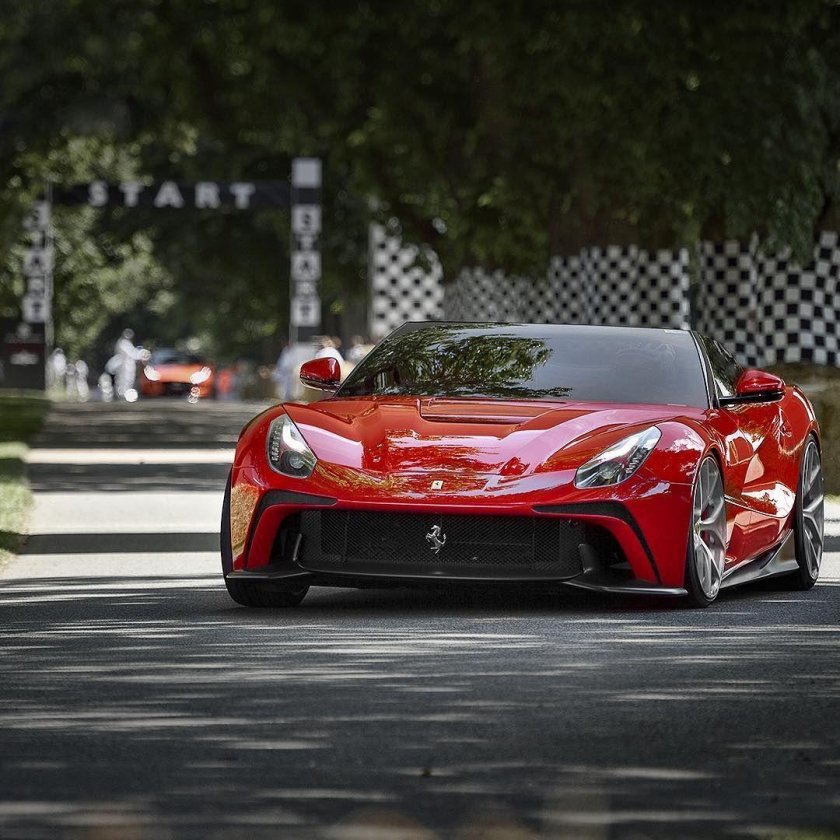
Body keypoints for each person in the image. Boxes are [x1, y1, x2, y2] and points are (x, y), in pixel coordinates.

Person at [113, 329, 146, 400]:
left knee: (129, 380)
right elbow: (131, 353)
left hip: (128, 365)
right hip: (124, 365)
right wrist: (141, 354)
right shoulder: (123, 343)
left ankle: (125, 394)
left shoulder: (126, 343)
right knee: (123, 379)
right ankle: (121, 394)